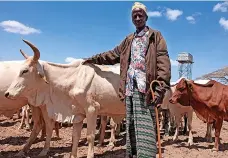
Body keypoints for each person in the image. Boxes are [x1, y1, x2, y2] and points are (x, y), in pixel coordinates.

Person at [82, 2, 171, 158]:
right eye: (134, 16)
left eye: (140, 15)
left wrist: (161, 88)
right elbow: (111, 55)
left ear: (146, 17)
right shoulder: (128, 40)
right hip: (130, 87)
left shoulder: (155, 36)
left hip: (147, 87)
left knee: (146, 123)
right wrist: (93, 59)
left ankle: (147, 154)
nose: (137, 18)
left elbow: (163, 61)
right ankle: (134, 153)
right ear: (132, 18)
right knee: (131, 122)